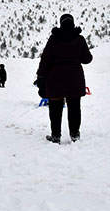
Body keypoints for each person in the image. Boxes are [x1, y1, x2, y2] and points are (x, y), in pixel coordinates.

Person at [36, 14, 93, 144]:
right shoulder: (80, 39)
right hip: (75, 80)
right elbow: (87, 59)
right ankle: (74, 135)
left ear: (61, 24)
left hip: (55, 81)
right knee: (74, 108)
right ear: (73, 24)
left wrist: (40, 76)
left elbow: (45, 60)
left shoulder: (53, 39)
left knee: (55, 110)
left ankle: (56, 136)